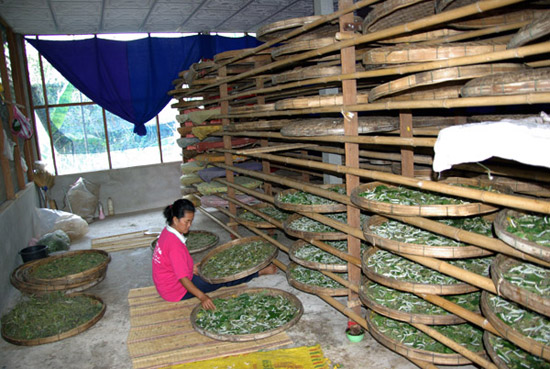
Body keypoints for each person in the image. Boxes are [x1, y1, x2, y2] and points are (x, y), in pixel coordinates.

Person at [152, 199, 277, 310]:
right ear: (175, 219)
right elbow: (183, 278)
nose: (189, 226)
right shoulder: (175, 246)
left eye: (191, 221)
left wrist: (190, 267)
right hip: (176, 290)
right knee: (222, 277)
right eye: (187, 222)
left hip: (166, 285)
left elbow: (171, 263)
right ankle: (259, 272)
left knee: (213, 268)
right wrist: (203, 297)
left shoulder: (167, 232)